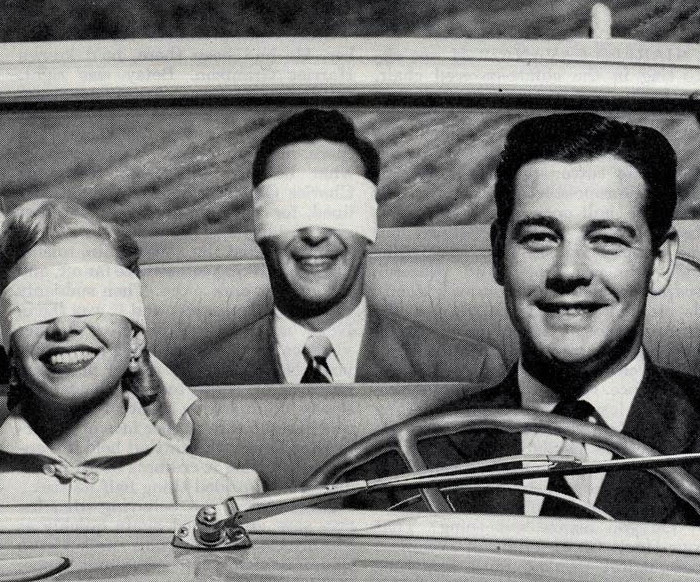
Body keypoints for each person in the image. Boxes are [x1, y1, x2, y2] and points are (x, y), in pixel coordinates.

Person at [346, 112, 700, 524]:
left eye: (606, 240)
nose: (568, 271)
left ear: (660, 262)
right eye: (540, 238)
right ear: (499, 254)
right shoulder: (402, 469)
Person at [189, 108, 505, 385]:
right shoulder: (193, 382)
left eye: (337, 206)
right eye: (290, 207)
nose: (314, 233)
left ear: (370, 221)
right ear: (260, 226)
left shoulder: (465, 371)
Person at [0, 198, 262, 504]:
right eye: (36, 304)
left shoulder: (220, 494)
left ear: (135, 337)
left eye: (90, 298)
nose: (63, 325)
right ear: (11, 348)